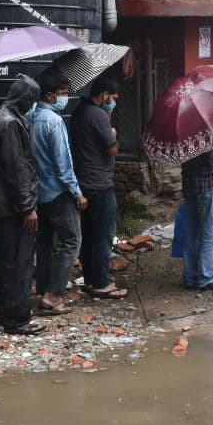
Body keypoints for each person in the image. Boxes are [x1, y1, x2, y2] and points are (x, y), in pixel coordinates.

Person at [0, 75, 42, 335]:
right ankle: (17, 318)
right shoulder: (11, 124)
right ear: (25, 98)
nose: (33, 105)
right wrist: (27, 207)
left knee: (7, 262)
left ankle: (9, 314)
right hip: (12, 207)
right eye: (32, 100)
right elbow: (16, 169)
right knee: (18, 262)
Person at [28, 69, 84, 316]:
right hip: (57, 191)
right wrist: (77, 193)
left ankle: (43, 290)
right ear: (50, 96)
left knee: (45, 241)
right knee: (72, 241)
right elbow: (63, 164)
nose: (65, 98)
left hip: (38, 192)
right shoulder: (54, 121)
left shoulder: (30, 117)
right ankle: (53, 294)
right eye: (62, 94)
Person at [70, 77, 126, 300]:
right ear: (104, 95)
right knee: (103, 235)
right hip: (100, 184)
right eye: (112, 99)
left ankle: (91, 279)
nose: (113, 103)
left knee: (89, 235)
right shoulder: (98, 116)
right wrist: (112, 133)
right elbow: (112, 149)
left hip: (83, 183)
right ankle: (102, 283)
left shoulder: (79, 112)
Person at [180, 146, 213, 290]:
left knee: (191, 234)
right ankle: (206, 276)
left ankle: (191, 276)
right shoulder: (204, 133)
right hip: (208, 187)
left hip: (189, 187)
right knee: (208, 233)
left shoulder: (183, 136)